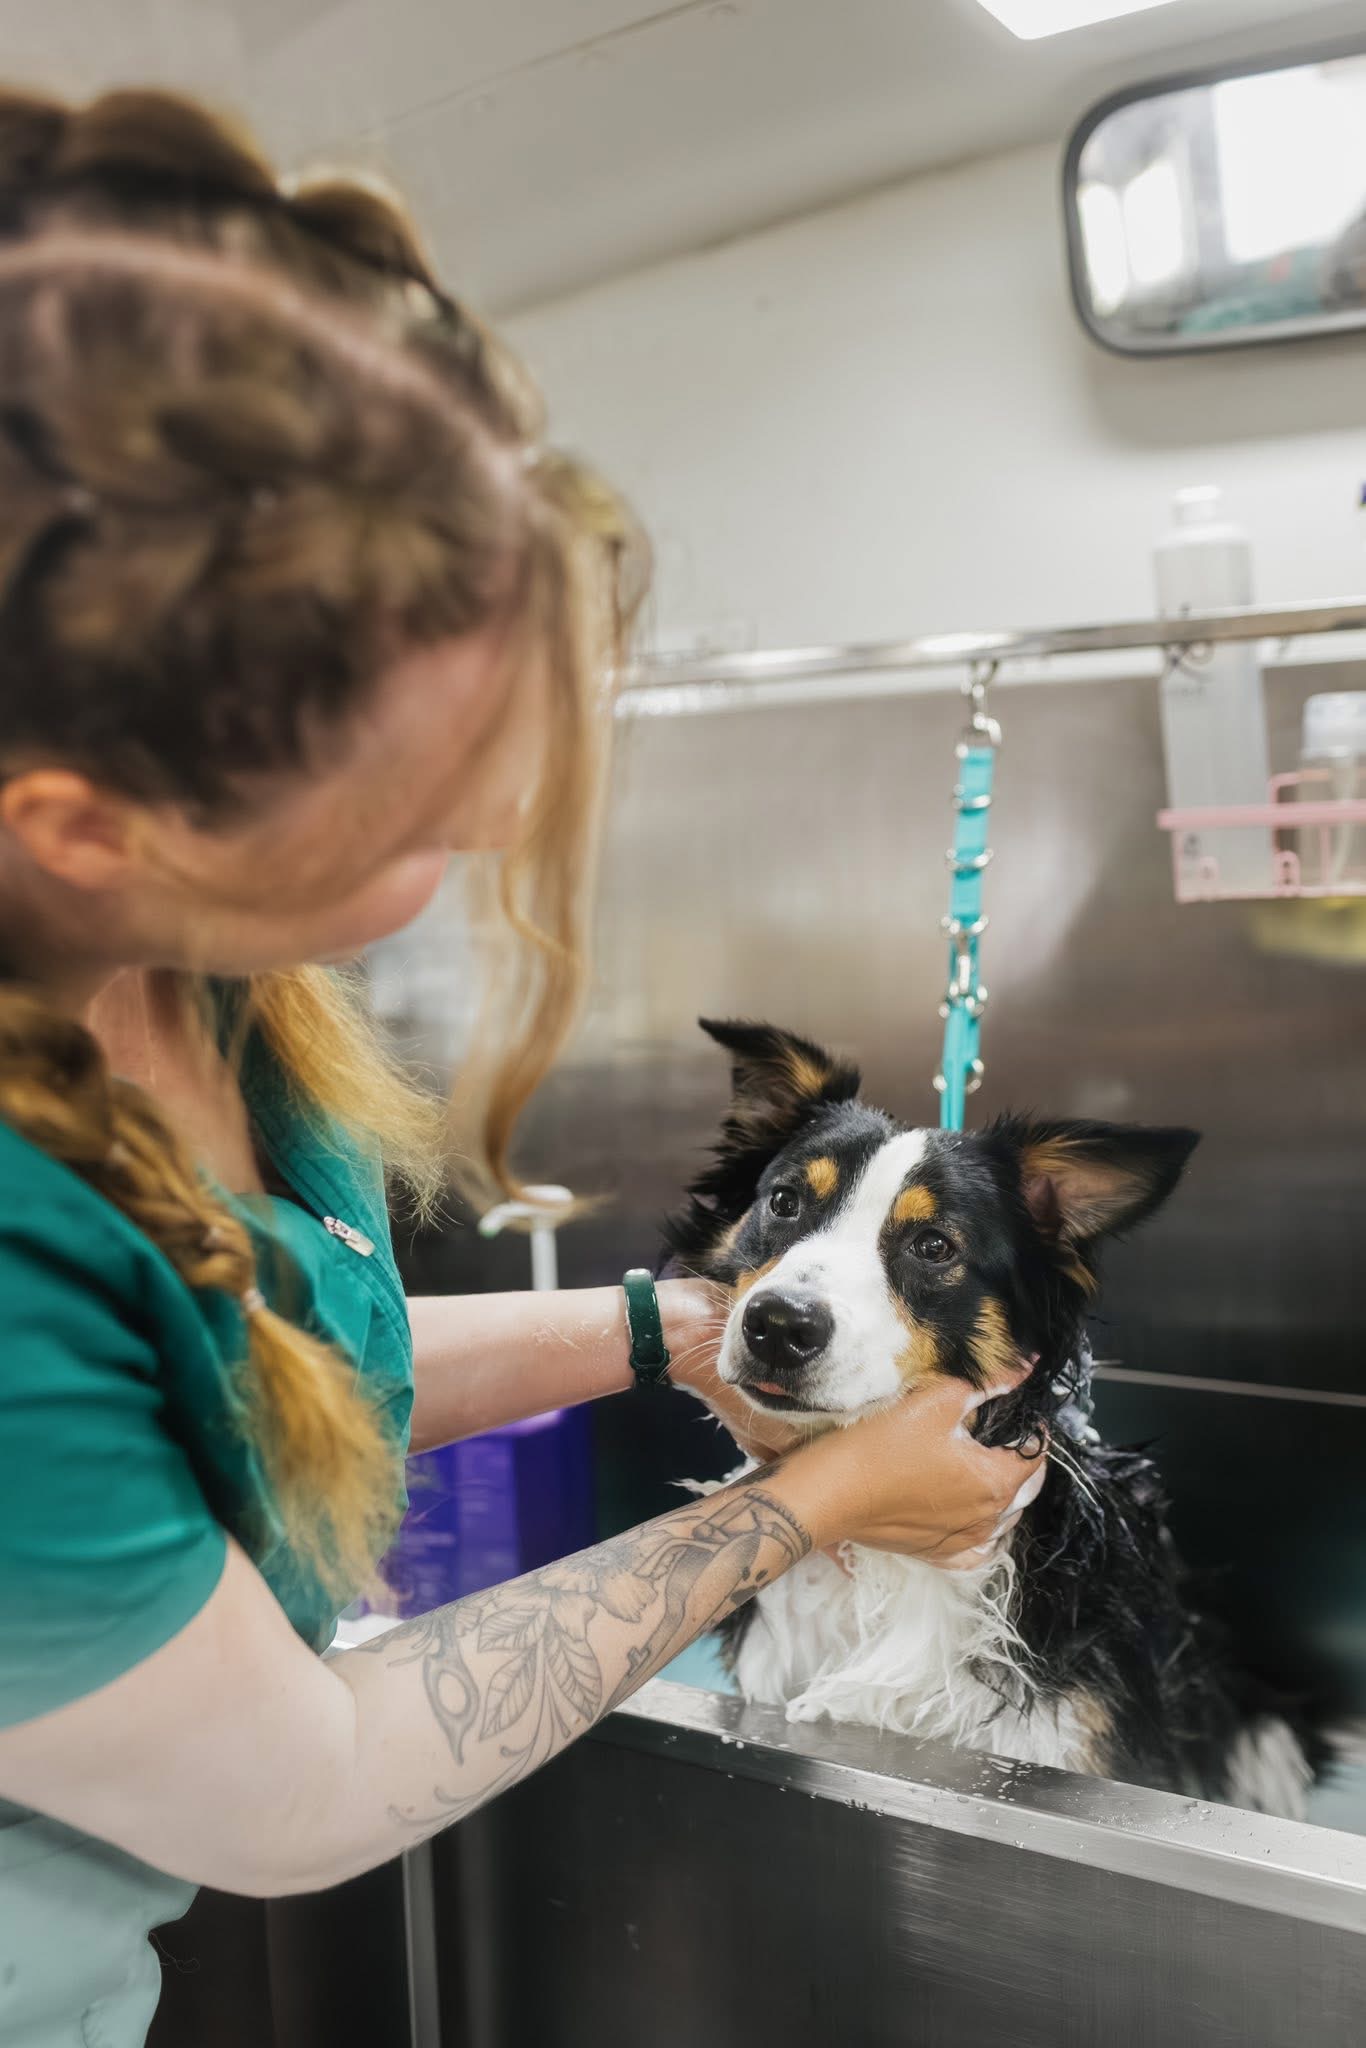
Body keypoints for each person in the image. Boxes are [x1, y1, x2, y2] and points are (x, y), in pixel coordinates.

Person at [0, 86, 1045, 2048]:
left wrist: (683, 1332)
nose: (486, 833)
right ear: (81, 823)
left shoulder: (197, 972)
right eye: (419, 794)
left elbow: (277, 1373)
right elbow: (300, 1785)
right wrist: (799, 1514)